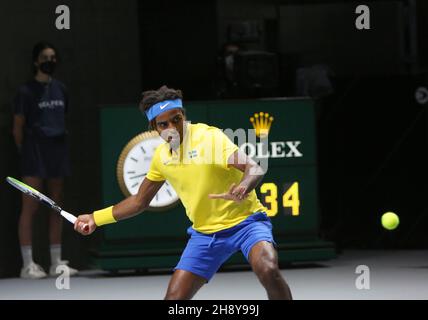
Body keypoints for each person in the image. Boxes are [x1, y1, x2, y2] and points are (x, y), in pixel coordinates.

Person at [74, 85, 292, 299]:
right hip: (205, 235)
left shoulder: (209, 138)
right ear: (154, 128)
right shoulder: (161, 158)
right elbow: (139, 201)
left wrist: (244, 186)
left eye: (176, 119)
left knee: (268, 270)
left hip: (247, 223)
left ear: (183, 116)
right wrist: (95, 218)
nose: (172, 127)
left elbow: (253, 167)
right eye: (163, 124)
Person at [13, 41, 77, 279]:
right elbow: (17, 127)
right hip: (34, 152)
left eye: (53, 57)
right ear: (36, 61)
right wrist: (25, 149)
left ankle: (56, 263)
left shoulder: (61, 88)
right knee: (29, 206)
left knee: (56, 206)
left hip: (57, 151)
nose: (50, 61)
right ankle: (28, 265)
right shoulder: (25, 92)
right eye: (45, 57)